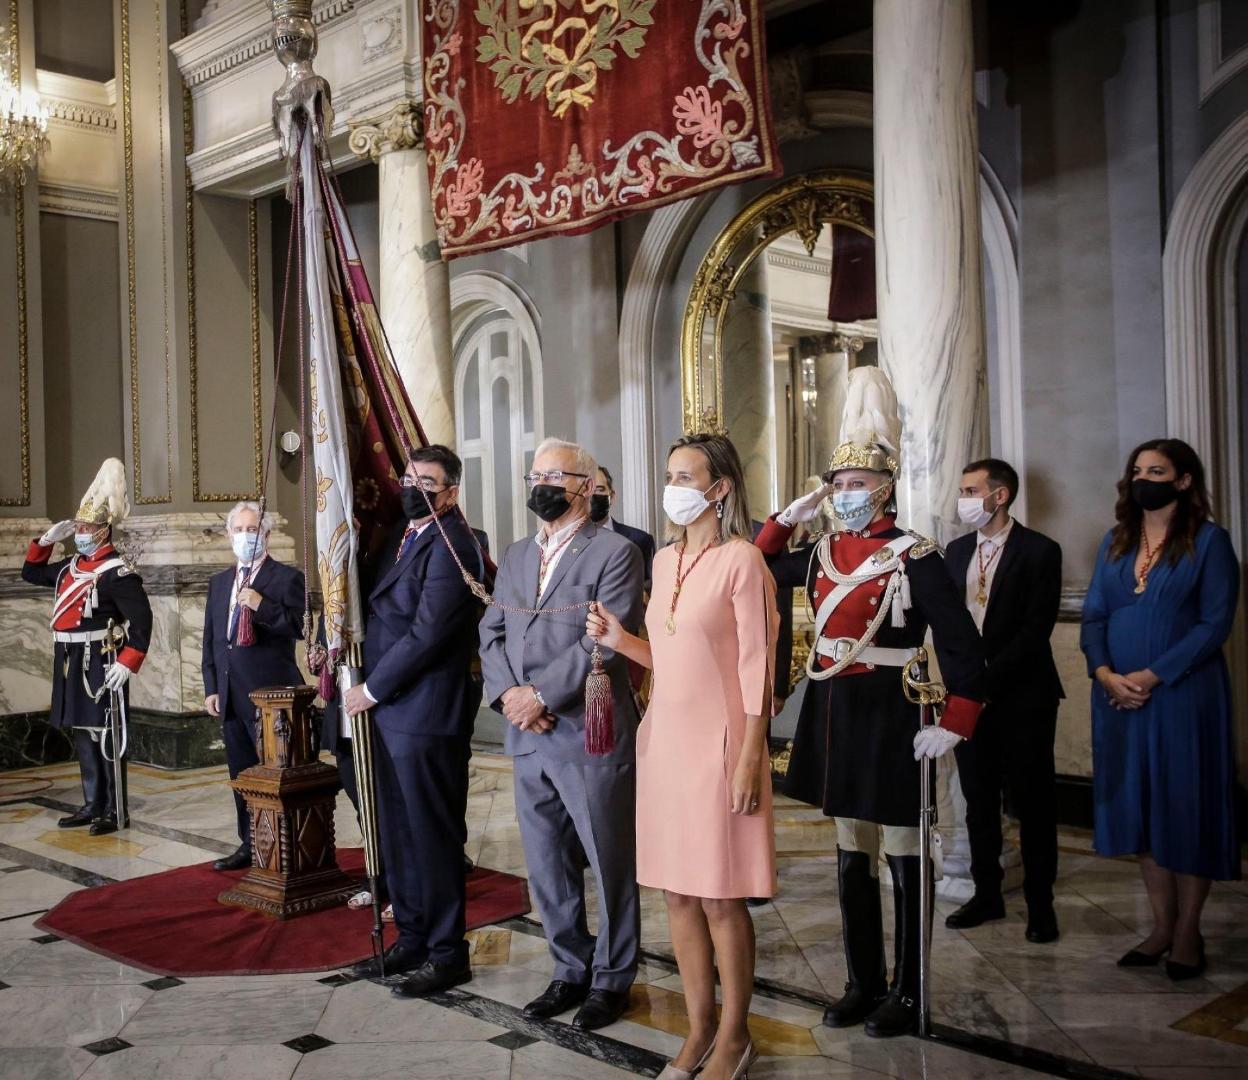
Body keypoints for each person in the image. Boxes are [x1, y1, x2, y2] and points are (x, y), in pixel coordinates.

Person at [755, 367, 984, 1038]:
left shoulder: (915, 554)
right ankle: (864, 981)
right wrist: (778, 524)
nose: (844, 495)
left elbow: (961, 638)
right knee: (850, 852)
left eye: (856, 485)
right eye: (837, 486)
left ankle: (910, 993)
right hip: (837, 714)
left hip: (896, 708)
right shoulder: (821, 551)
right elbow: (755, 570)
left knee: (905, 853)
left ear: (883, 489)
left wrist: (959, 717)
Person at [587, 433, 778, 1080]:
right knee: (677, 896)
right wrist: (621, 640)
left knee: (721, 898)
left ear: (718, 489)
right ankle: (696, 1034)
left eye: (686, 475)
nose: (673, 486)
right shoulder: (664, 562)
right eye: (669, 474)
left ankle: (734, 1037)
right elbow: (667, 659)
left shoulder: (743, 562)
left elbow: (757, 667)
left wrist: (752, 754)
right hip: (665, 740)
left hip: (722, 744)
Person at [479, 437, 645, 1031]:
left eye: (553, 474)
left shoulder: (616, 552)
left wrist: (541, 695)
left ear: (584, 482)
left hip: (586, 729)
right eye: (534, 474)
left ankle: (612, 977)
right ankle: (568, 968)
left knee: (608, 859)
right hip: (527, 735)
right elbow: (491, 631)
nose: (540, 484)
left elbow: (605, 639)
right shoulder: (518, 554)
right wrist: (508, 697)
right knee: (547, 863)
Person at [1080, 438, 1240, 980]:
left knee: (1184, 807)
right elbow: (1095, 615)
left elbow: (1213, 624)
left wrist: (1151, 675)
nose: (1145, 477)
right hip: (1117, 698)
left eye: (1158, 469)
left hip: (1183, 696)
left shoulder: (1210, 542)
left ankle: (1189, 930)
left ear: (1184, 480)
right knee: (1141, 808)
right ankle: (1161, 926)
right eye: (1138, 469)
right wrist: (1104, 673)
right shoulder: (1116, 541)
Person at [343, 445, 485, 996]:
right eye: (407, 476)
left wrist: (371, 690)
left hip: (423, 712)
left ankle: (450, 953)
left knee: (433, 835)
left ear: (450, 492)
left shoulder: (455, 546)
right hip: (389, 712)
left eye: (426, 481)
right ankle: (414, 935)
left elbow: (427, 633)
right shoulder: (402, 537)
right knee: (398, 831)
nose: (412, 487)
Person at [943, 459, 1064, 943]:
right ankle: (986, 894)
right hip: (968, 695)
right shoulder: (954, 552)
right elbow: (948, 623)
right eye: (962, 489)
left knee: (1034, 803)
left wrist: (987, 676)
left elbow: (1037, 629)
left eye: (972, 490)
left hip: (1024, 694)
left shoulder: (1039, 551)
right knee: (977, 800)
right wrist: (960, 679)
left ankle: (1041, 904)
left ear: (1001, 495)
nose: (964, 499)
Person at [22, 458, 153, 836]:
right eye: (77, 526)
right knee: (82, 732)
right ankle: (92, 802)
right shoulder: (69, 567)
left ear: (103, 530)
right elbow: (30, 573)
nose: (79, 532)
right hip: (69, 658)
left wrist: (128, 661)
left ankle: (115, 809)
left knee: (108, 733)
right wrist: (45, 542)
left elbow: (141, 622)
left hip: (102, 658)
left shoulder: (118, 572)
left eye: (84, 527)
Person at [202, 502, 307, 872]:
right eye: (240, 530)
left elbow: (301, 628)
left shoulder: (286, 578)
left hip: (273, 698)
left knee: (277, 778)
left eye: (253, 530)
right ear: (229, 535)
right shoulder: (219, 583)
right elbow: (213, 640)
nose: (246, 536)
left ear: (267, 536)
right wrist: (212, 686)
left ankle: (285, 848)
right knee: (242, 777)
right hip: (231, 697)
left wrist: (262, 606)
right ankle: (249, 844)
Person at [591, 466, 657, 591]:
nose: (593, 496)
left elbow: (651, 587)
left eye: (599, 490)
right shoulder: (567, 541)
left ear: (612, 496)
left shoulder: (640, 540)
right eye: (588, 490)